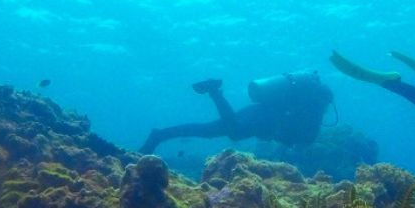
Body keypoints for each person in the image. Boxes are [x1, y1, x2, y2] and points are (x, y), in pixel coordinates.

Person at [140, 71, 334, 155]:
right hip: (264, 118)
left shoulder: (305, 104)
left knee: (208, 130)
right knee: (234, 132)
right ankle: (215, 92)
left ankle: (159, 135)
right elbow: (303, 137)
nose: (324, 110)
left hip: (259, 111)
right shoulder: (312, 111)